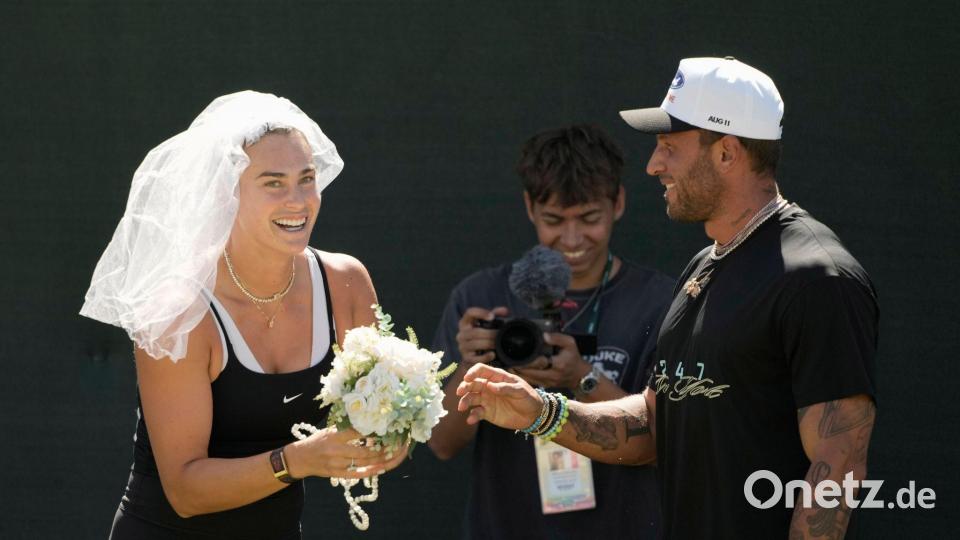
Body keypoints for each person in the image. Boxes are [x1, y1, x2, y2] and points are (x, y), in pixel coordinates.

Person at [455, 57, 878, 540]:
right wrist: (540, 411)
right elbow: (656, 424)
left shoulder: (817, 278)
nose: (653, 165)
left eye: (669, 147)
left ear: (727, 153)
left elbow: (838, 467)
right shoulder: (704, 267)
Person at [80, 91, 406, 539]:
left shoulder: (346, 283)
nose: (299, 200)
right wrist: (296, 460)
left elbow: (381, 416)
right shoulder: (178, 311)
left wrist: (391, 433)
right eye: (274, 183)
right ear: (226, 194)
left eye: (307, 179)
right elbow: (185, 491)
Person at [428, 125, 674, 539]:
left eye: (589, 218)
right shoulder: (481, 298)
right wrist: (472, 365)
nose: (572, 239)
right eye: (554, 220)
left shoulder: (660, 302)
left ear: (617, 203)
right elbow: (441, 443)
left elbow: (663, 445)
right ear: (530, 207)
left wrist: (581, 377)